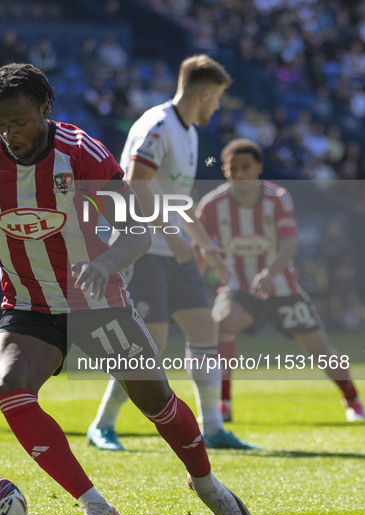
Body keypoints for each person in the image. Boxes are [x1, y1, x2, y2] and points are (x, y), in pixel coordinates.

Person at [0, 63, 252, 515]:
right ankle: (96, 507)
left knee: (156, 401)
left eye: (19, 122)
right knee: (7, 386)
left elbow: (137, 232)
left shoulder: (80, 154)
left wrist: (104, 265)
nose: (8, 134)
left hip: (97, 301)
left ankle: (206, 483)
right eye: (0, 123)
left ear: (45, 109)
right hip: (29, 306)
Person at [87, 54, 258, 452]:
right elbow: (136, 184)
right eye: (215, 99)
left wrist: (204, 245)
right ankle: (103, 425)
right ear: (203, 93)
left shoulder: (190, 132)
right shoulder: (158, 126)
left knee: (204, 330)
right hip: (143, 247)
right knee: (153, 342)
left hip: (174, 251)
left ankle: (212, 428)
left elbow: (177, 199)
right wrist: (172, 233)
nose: (216, 108)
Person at [196, 138, 365, 423]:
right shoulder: (213, 204)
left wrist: (270, 274)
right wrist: (193, 286)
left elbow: (289, 245)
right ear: (224, 170)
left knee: (320, 349)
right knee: (221, 321)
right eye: (233, 169)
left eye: (246, 168)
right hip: (238, 289)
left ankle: (353, 401)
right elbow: (200, 247)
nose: (240, 175)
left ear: (259, 168)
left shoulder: (278, 197)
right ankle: (223, 403)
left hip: (283, 288)